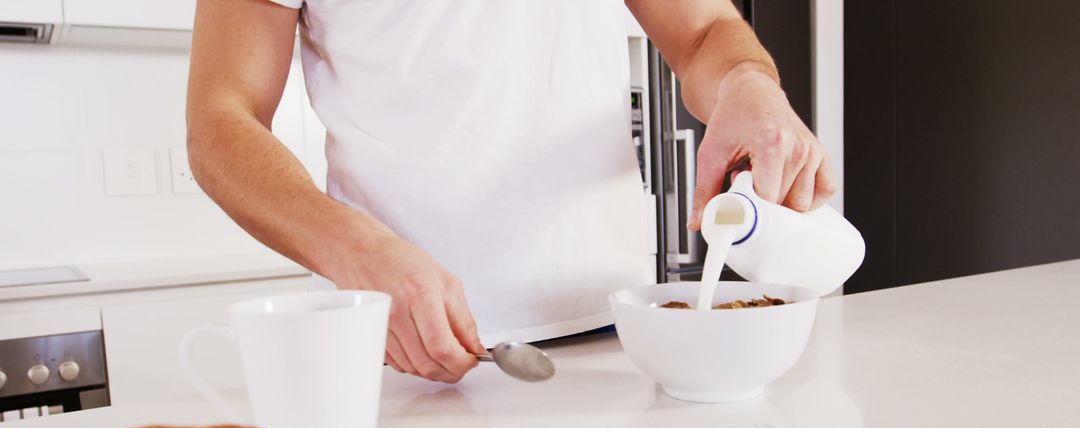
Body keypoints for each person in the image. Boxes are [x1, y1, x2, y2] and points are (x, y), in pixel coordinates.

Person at [187, 0, 837, 384]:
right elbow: (222, 119)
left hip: (623, 345)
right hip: (397, 353)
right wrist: (351, 247)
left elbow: (703, 35)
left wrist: (747, 82)